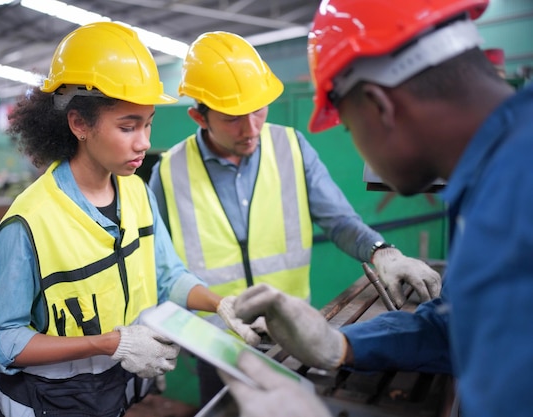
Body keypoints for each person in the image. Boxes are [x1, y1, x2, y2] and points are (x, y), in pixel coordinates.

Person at [221, 0, 533, 416]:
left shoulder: (514, 198)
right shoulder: (497, 177)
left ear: (380, 106)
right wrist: (344, 344)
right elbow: (459, 328)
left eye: (349, 127)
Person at [0, 21, 257, 417]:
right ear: (79, 124)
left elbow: (167, 275)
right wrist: (111, 343)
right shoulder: (30, 223)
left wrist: (220, 303)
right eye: (128, 127)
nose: (143, 142)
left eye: (148, 123)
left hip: (118, 396)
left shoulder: (137, 193)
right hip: (48, 405)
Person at [147, 30, 441, 404]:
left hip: (294, 334)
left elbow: (339, 221)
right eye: (234, 117)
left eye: (258, 109)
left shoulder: (292, 147)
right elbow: (160, 267)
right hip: (218, 343)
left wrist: (382, 252)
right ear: (198, 116)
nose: (252, 128)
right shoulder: (170, 172)